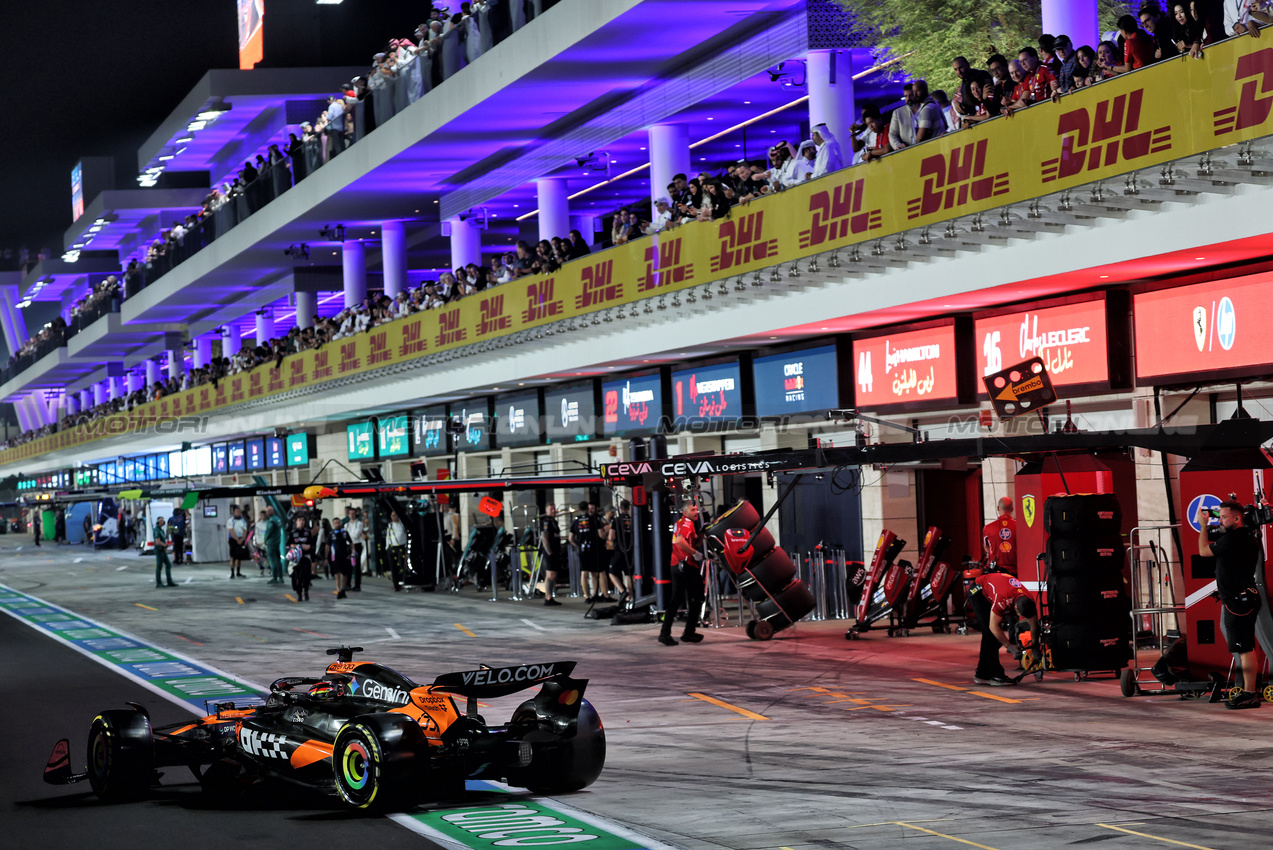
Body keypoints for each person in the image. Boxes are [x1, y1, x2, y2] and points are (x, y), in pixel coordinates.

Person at [1197, 500, 1263, 709]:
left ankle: (1250, 694)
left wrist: (1203, 526)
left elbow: (1203, 551)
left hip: (1239, 600)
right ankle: (1249, 691)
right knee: (1245, 648)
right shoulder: (1244, 538)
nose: (1221, 521)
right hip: (1243, 597)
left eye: (1224, 517)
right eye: (1220, 517)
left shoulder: (1234, 539)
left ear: (1237, 518)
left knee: (1245, 649)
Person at [968, 571, 1037, 686]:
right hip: (978, 590)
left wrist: (1034, 647)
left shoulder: (1028, 599)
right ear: (1015, 608)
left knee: (991, 637)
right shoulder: (1002, 597)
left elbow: (1034, 625)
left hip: (998, 586)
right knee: (990, 634)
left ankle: (982, 674)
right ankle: (996, 676)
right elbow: (993, 626)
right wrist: (1009, 645)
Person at [659, 500, 705, 646]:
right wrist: (695, 553)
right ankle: (688, 632)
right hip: (685, 565)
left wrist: (702, 534)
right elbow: (680, 540)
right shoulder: (686, 523)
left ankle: (666, 633)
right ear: (684, 512)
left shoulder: (681, 523)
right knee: (697, 597)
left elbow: (691, 541)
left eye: (696, 509)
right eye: (692, 510)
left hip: (677, 565)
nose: (696, 511)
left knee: (677, 600)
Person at [570, 501, 606, 602]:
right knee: (595, 572)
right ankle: (595, 594)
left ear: (579, 509)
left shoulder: (576, 521)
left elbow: (570, 538)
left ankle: (587, 596)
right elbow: (601, 535)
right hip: (593, 549)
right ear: (587, 508)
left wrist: (577, 545)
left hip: (582, 549)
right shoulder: (593, 520)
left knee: (584, 573)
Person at [983, 497, 1018, 576]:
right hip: (1016, 571)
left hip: (996, 571)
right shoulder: (1019, 526)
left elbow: (986, 546)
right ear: (1012, 509)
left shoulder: (988, 528)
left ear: (998, 508)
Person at [608, 500, 636, 599]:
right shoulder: (633, 519)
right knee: (629, 574)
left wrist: (610, 543)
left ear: (620, 508)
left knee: (612, 573)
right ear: (628, 508)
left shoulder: (616, 520)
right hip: (631, 551)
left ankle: (622, 591)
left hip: (619, 550)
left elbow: (611, 536)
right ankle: (630, 598)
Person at [540, 503, 563, 606]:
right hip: (551, 551)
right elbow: (544, 537)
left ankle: (549, 596)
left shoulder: (553, 521)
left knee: (552, 574)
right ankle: (549, 597)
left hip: (555, 550)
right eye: (551, 509)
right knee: (551, 574)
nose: (553, 511)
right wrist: (549, 552)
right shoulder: (546, 521)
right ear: (546, 510)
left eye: (554, 509)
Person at [288, 514, 314, 601]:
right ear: (296, 522)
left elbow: (312, 544)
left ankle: (306, 592)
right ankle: (299, 594)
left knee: (306, 576)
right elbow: (288, 544)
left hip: (305, 557)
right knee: (296, 577)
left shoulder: (307, 532)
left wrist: (308, 546)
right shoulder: (293, 532)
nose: (302, 522)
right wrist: (293, 546)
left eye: (303, 520)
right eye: (300, 520)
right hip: (296, 559)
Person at [330, 517, 352, 599]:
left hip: (344, 555)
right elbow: (328, 546)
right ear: (333, 524)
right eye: (336, 523)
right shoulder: (331, 534)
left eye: (338, 522)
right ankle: (338, 590)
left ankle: (343, 589)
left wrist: (352, 551)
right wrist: (326, 557)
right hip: (335, 556)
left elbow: (351, 542)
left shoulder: (345, 533)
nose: (337, 524)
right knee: (337, 574)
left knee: (345, 574)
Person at [387, 510, 408, 591]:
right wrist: (387, 546)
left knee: (401, 564)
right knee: (393, 566)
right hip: (392, 546)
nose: (393, 517)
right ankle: (396, 584)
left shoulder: (402, 524)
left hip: (401, 546)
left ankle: (402, 581)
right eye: (392, 516)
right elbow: (388, 536)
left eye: (394, 515)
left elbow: (405, 534)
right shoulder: (390, 525)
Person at [264, 506, 285, 585]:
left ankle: (275, 577)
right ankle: (281, 577)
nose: (266, 513)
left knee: (273, 561)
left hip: (271, 543)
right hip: (277, 542)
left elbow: (269, 532)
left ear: (269, 512)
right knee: (278, 561)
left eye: (267, 511)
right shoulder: (278, 519)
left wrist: (265, 539)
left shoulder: (271, 521)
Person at [154, 515, 176, 588]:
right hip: (159, 550)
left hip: (163, 550)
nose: (162, 521)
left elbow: (164, 538)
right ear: (158, 522)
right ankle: (158, 582)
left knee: (168, 565)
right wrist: (165, 545)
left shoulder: (161, 530)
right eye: (161, 520)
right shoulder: (156, 530)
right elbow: (158, 542)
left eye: (163, 520)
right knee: (159, 566)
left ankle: (169, 581)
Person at [346, 507, 365, 592]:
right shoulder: (346, 524)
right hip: (349, 546)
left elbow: (356, 535)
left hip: (356, 545)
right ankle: (348, 584)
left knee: (357, 566)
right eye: (350, 514)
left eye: (353, 514)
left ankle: (357, 585)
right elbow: (346, 535)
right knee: (348, 566)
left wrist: (350, 535)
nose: (352, 515)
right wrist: (350, 535)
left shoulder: (359, 523)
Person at [228, 504, 248, 579]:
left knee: (239, 557)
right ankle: (232, 573)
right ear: (234, 512)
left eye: (239, 511)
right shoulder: (230, 521)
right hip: (233, 540)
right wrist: (237, 539)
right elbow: (231, 531)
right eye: (236, 511)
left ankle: (238, 572)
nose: (238, 513)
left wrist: (242, 539)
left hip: (240, 539)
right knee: (232, 557)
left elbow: (245, 530)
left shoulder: (243, 521)